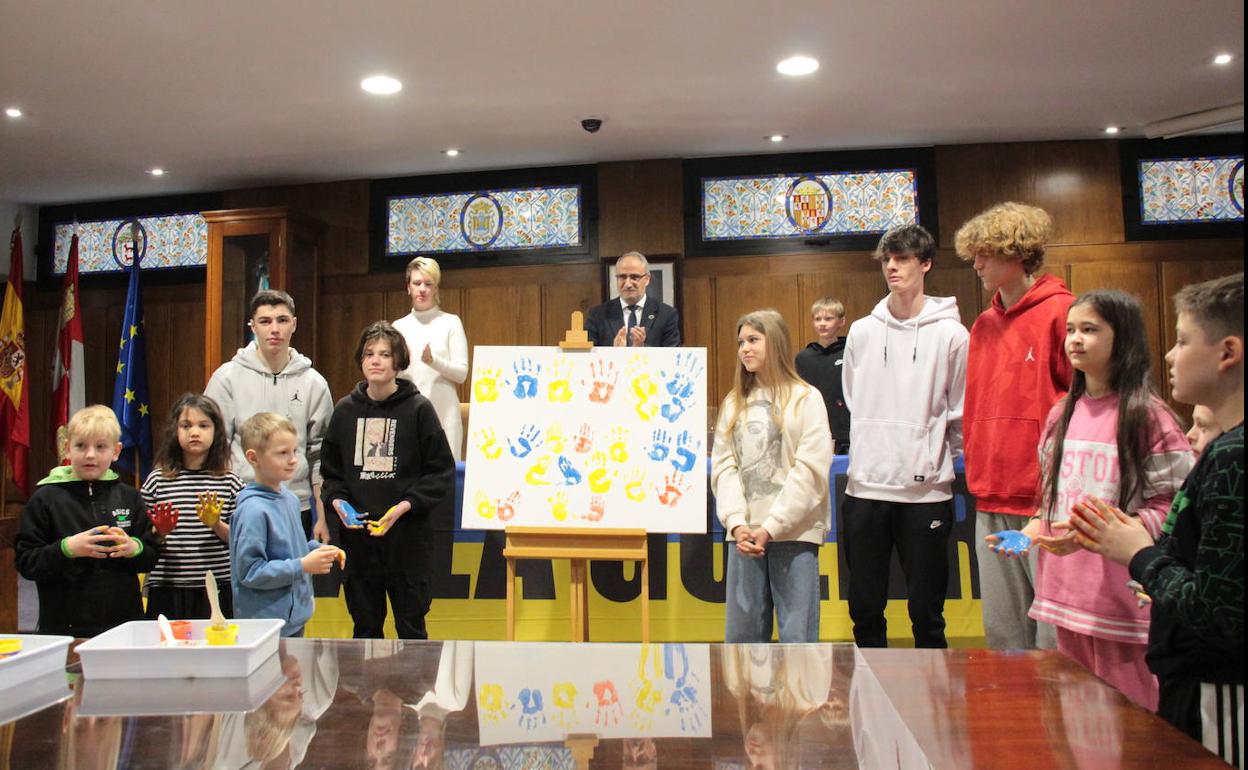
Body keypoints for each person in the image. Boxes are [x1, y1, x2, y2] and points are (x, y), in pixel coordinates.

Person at [1065, 273, 1242, 765]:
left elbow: (1216, 608)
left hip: (1217, 681)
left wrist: (1139, 552)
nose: (1170, 354)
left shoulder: (1232, 458)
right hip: (1184, 669)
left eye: (1183, 341)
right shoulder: (1223, 451)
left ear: (1228, 352)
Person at [990, 289, 1193, 711]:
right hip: (1067, 598)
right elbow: (1052, 501)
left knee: (1132, 727)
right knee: (1074, 727)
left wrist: (1102, 533)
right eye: (1070, 330)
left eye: (1090, 329)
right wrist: (1032, 533)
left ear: (1123, 339)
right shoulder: (1061, 413)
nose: (1075, 340)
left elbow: (1175, 507)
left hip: (1123, 605)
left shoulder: (1149, 416)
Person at [840, 224, 968, 649]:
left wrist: (928, 460)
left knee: (927, 613)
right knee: (864, 608)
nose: (892, 267)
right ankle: (870, 706)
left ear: (926, 263)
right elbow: (855, 401)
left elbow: (959, 412)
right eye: (886, 260)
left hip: (925, 494)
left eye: (902, 259)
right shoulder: (861, 331)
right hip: (865, 488)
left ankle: (933, 709)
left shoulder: (952, 335)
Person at [954, 201, 1074, 650]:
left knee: (1050, 635)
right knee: (1003, 633)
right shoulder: (982, 326)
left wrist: (1055, 493)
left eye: (987, 254)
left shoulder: (1063, 313)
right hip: (991, 495)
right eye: (975, 255)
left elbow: (1082, 409)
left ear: (1017, 253)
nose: (977, 264)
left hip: (1044, 501)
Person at [321, 321, 456, 639]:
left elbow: (440, 472)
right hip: (360, 542)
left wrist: (405, 506)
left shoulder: (419, 409)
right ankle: (366, 690)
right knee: (365, 628)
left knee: (411, 628)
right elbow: (331, 474)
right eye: (369, 353)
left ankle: (413, 692)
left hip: (407, 542)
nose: (376, 360)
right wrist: (338, 502)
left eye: (384, 354)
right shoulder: (344, 411)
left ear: (399, 362)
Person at [711, 308, 833, 643]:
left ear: (775, 343)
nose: (744, 349)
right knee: (743, 640)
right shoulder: (735, 402)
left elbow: (810, 472)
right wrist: (737, 523)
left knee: (797, 639)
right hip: (745, 538)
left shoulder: (806, 399)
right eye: (740, 342)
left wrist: (773, 526)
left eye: (753, 340)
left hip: (794, 534)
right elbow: (724, 467)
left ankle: (797, 699)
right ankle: (747, 699)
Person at [15, 404, 160, 636]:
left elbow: (150, 557)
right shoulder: (45, 499)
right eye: (81, 446)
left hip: (123, 626)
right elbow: (26, 562)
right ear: (67, 449)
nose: (90, 454)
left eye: (101, 447)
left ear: (116, 451)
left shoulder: (130, 497)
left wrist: (135, 548)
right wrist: (67, 548)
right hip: (64, 628)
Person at [206, 289, 333, 543]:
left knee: (294, 577)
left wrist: (321, 515)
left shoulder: (314, 382)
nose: (274, 329)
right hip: (243, 502)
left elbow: (320, 454)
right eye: (265, 321)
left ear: (294, 324)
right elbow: (215, 448)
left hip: (297, 505)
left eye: (282, 320)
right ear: (252, 325)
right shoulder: (227, 377)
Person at [231, 412, 343, 637]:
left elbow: (295, 549)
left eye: (295, 451)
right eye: (282, 453)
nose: (293, 460)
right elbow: (250, 572)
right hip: (264, 625)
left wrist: (320, 551)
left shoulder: (290, 499)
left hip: (294, 619)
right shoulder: (252, 511)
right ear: (253, 458)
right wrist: (302, 565)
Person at [141, 392, 244, 619]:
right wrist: (160, 532)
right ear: (175, 431)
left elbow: (241, 540)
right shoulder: (158, 480)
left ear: (216, 431)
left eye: (203, 425)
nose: (194, 432)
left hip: (216, 585)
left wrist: (216, 524)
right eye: (186, 425)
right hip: (167, 585)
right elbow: (143, 537)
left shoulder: (230, 482)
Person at [392, 257, 470, 461]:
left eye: (428, 284)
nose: (422, 289)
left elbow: (461, 374)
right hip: (408, 415)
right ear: (408, 287)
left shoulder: (451, 322)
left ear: (436, 289)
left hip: (445, 416)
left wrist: (433, 361)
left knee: (446, 481)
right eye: (417, 283)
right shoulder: (398, 327)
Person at [585, 251, 681, 348]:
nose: (628, 284)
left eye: (634, 277)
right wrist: (613, 353)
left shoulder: (667, 315)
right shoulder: (597, 315)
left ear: (647, 279)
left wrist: (641, 348)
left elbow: (671, 357)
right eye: (622, 277)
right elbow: (588, 357)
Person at [795, 297, 851, 455]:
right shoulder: (803, 358)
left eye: (828, 318)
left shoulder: (850, 353)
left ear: (841, 321)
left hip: (845, 433)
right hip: (813, 431)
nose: (822, 323)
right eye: (818, 319)